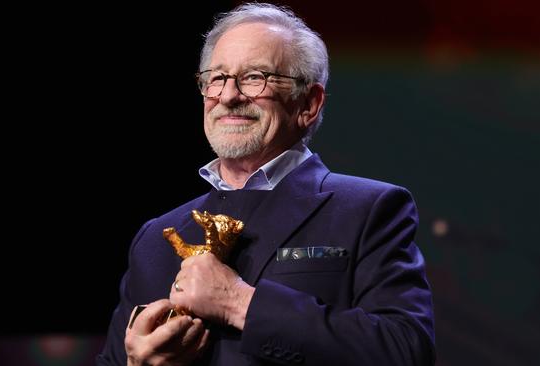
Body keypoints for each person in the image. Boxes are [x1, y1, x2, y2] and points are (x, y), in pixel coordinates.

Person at [97, 3, 435, 365]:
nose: (228, 96)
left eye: (255, 77)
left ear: (309, 103)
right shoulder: (155, 238)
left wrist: (238, 302)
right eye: (217, 77)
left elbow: (405, 349)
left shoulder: (369, 209)